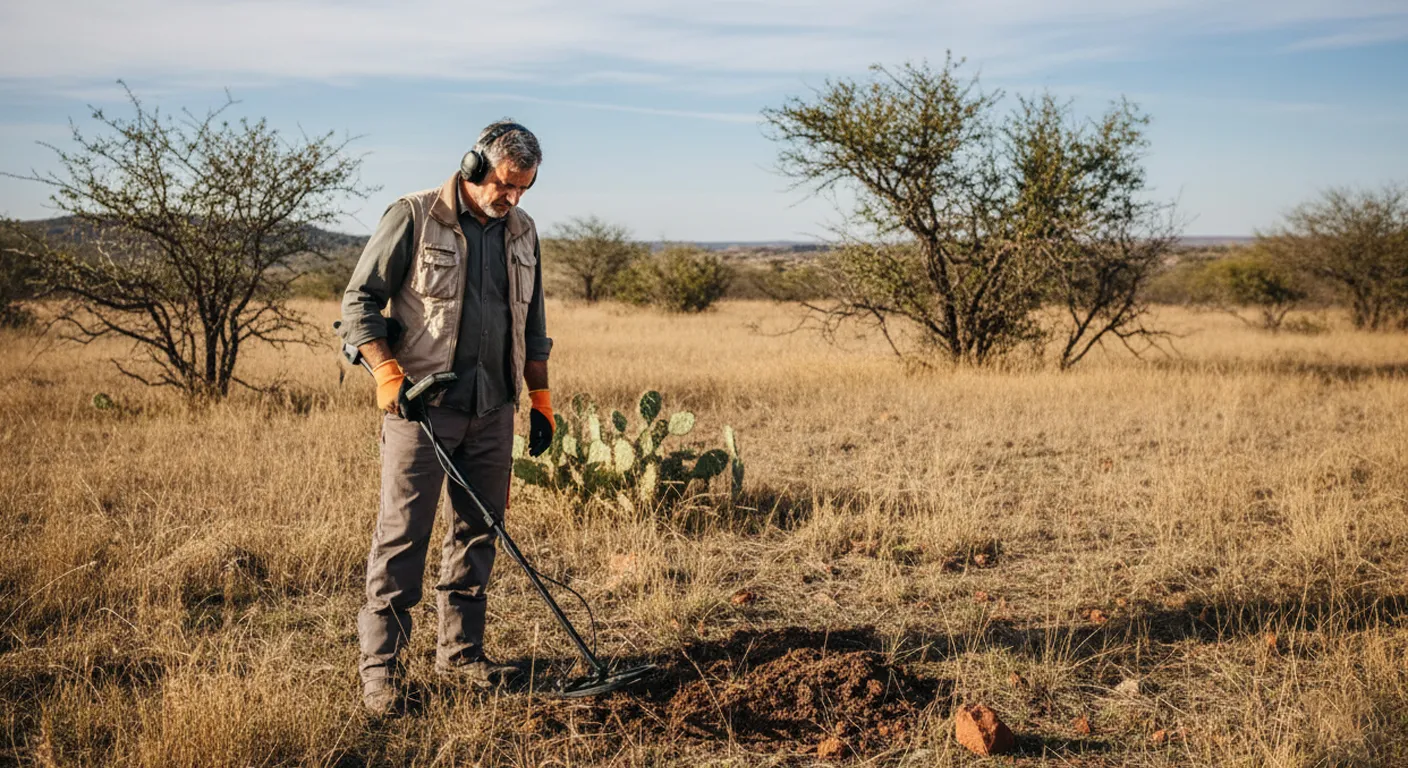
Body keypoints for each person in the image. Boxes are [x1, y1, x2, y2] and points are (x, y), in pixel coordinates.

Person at [338, 119, 556, 717]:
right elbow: (358, 304)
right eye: (506, 186)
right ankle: (381, 674)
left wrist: (539, 402)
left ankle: (460, 655)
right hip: (423, 410)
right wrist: (387, 376)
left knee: (478, 533)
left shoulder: (523, 231)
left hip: (493, 411)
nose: (512, 199)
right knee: (402, 538)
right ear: (473, 166)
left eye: (524, 189)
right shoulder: (413, 216)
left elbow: (533, 325)